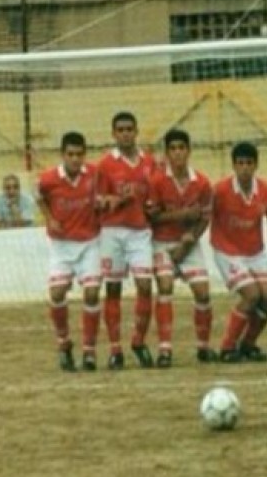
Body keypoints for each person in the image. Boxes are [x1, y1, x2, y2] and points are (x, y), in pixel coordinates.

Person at [210, 141, 267, 363]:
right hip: (227, 251)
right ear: (234, 165)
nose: (244, 168)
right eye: (240, 163)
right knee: (252, 295)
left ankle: (248, 344)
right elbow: (204, 214)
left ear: (256, 165)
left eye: (249, 163)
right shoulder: (220, 190)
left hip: (255, 252)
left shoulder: (265, 190)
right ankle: (227, 347)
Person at [146, 129, 216, 367]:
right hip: (162, 243)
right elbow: (152, 217)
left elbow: (205, 218)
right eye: (173, 149)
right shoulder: (157, 181)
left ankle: (203, 348)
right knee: (165, 287)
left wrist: (190, 240)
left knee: (203, 293)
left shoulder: (202, 182)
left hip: (189, 243)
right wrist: (182, 214)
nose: (178, 153)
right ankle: (164, 349)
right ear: (167, 153)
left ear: (189, 151)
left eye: (181, 148)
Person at [36, 131, 102, 372]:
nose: (75, 159)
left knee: (92, 293)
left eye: (79, 154)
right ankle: (63, 342)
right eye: (70, 154)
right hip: (61, 245)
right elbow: (38, 196)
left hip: (90, 243)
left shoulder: (94, 174)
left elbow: (105, 193)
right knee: (57, 293)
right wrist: (49, 218)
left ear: (85, 155)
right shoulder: (48, 179)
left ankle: (89, 350)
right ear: (62, 155)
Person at [96, 111, 157, 370]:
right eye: (120, 130)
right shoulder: (104, 164)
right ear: (113, 134)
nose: (125, 134)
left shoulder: (149, 162)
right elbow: (96, 200)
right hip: (112, 232)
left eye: (129, 129)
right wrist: (112, 200)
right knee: (113, 289)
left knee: (145, 285)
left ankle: (138, 341)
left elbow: (154, 195)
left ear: (136, 131)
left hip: (140, 232)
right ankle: (115, 350)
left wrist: (153, 207)